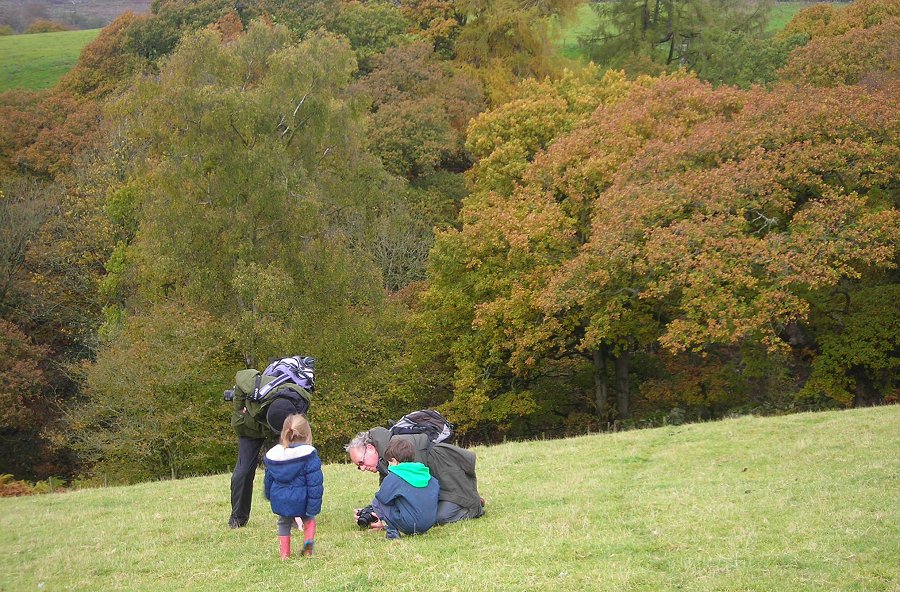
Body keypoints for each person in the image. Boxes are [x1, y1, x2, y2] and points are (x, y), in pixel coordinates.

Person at [346, 424, 484, 526]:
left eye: (361, 462)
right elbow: (388, 495)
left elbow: (416, 495)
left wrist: (388, 521)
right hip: (435, 484)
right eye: (359, 467)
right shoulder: (384, 461)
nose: (362, 468)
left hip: (450, 478)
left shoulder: (397, 446)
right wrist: (373, 511)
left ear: (370, 448)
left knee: (436, 518)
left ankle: (473, 504)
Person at [229, 368, 310, 529]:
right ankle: (238, 519)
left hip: (280, 430)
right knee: (243, 472)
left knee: (287, 468)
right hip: (249, 427)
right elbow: (241, 376)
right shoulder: (254, 386)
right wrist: (239, 407)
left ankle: (294, 516)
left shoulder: (299, 399)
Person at [263, 414, 323, 558]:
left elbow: (268, 479)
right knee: (309, 520)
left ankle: (284, 554)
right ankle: (308, 549)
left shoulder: (275, 457)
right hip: (302, 499)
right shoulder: (309, 457)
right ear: (307, 433)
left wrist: (269, 495)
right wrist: (313, 507)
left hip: (280, 498)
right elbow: (315, 484)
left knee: (283, 523)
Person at [362, 439, 439, 539]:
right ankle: (419, 531)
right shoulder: (427, 475)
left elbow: (383, 498)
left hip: (409, 525)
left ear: (394, 461)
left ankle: (392, 532)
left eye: (389, 462)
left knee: (377, 501)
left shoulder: (395, 477)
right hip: (429, 523)